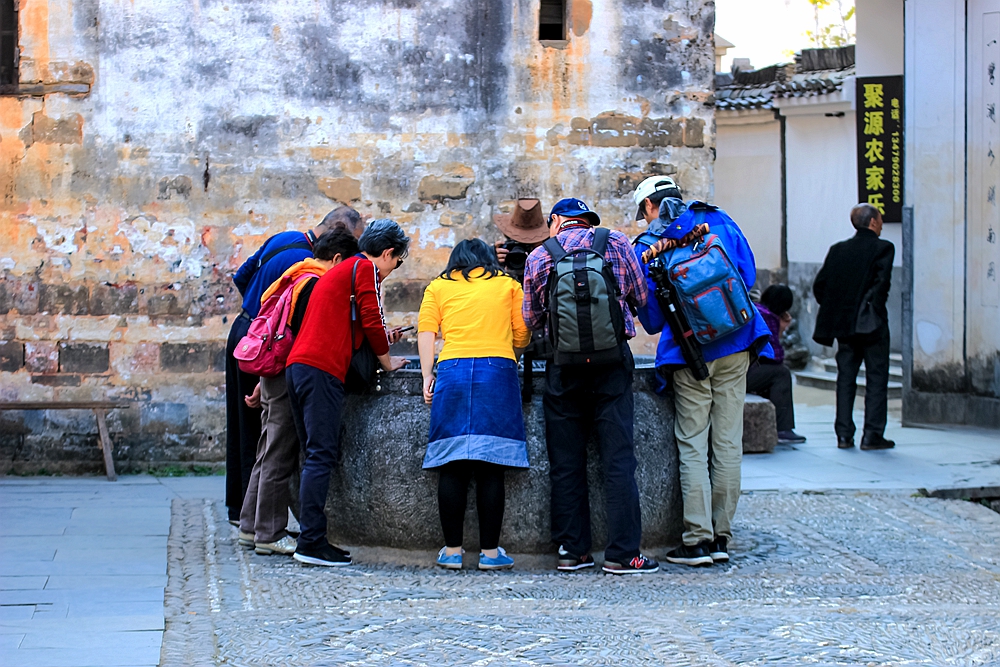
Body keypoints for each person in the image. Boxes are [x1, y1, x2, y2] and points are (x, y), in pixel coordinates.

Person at [522, 198, 660, 575]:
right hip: (611, 366)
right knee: (618, 460)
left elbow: (532, 318)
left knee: (566, 463)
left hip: (563, 367)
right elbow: (641, 297)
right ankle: (622, 554)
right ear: (586, 221)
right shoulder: (615, 242)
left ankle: (572, 550)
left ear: (555, 222)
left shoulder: (538, 257)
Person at [633, 196, 772, 568]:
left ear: (651, 208)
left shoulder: (650, 247)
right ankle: (722, 535)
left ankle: (697, 541)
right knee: (728, 442)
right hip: (738, 340)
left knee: (693, 443)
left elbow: (651, 320)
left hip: (690, 353)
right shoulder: (720, 222)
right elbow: (748, 276)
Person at [284, 219, 410, 567]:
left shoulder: (344, 271)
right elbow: (370, 319)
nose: (392, 270)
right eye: (397, 262)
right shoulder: (365, 268)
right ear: (387, 254)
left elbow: (352, 325)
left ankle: (312, 536)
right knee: (321, 455)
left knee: (313, 454)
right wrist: (387, 362)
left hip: (299, 367)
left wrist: (384, 339)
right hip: (321, 369)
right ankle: (311, 542)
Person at [226, 206, 361, 524]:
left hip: (246, 331)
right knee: (274, 440)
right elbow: (299, 328)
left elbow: (241, 276)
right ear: (338, 231)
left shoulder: (283, 239)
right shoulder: (310, 273)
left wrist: (258, 316)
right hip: (274, 346)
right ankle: (265, 525)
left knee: (246, 430)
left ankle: (242, 512)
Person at [417, 239, 531, 571]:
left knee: (452, 462)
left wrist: (427, 375)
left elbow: (426, 331)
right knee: (490, 463)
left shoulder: (438, 286)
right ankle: (491, 554)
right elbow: (522, 331)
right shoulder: (507, 284)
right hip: (497, 369)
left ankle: (452, 551)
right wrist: (512, 355)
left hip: (452, 369)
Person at [813, 203, 895, 451]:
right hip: (872, 324)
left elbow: (820, 286)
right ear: (872, 222)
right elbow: (882, 285)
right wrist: (874, 309)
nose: (881, 224)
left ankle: (844, 435)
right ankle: (872, 435)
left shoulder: (838, 250)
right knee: (877, 378)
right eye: (880, 219)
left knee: (846, 379)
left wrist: (838, 308)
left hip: (845, 325)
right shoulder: (883, 248)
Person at [746, 285, 807, 444]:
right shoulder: (768, 317)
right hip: (743, 372)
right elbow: (775, 355)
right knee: (782, 373)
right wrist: (781, 329)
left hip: (739, 368)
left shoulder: (756, 309)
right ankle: (783, 428)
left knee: (771, 373)